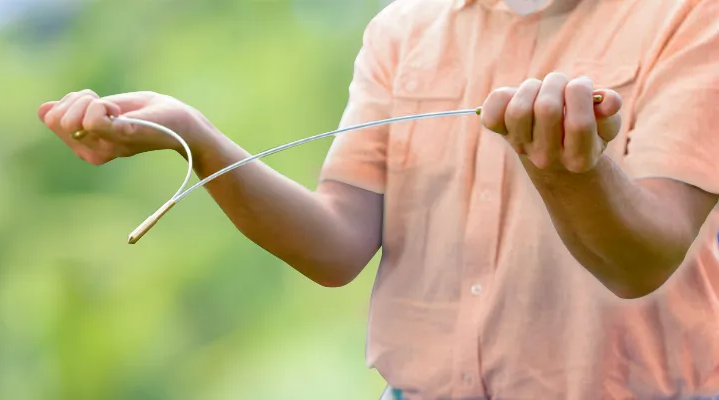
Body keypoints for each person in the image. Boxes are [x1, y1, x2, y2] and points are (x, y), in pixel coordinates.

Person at [38, 0, 719, 398]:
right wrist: (196, 137)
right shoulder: (402, 31)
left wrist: (570, 174)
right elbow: (336, 245)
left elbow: (641, 260)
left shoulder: (693, 18)